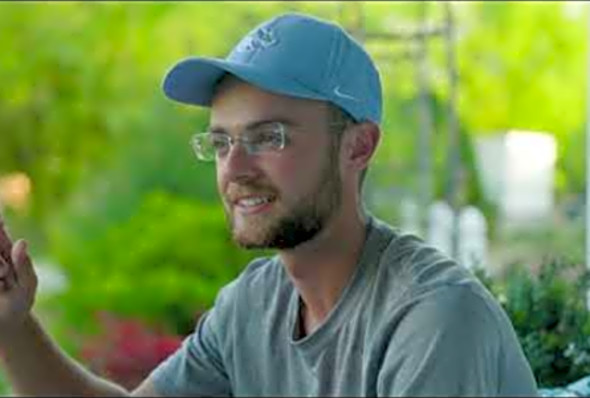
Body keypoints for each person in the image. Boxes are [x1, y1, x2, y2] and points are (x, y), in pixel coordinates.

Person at [0, 12, 538, 397]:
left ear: (358, 146)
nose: (234, 170)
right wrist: (13, 324)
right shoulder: (254, 305)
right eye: (221, 142)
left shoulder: (433, 320)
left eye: (269, 137)